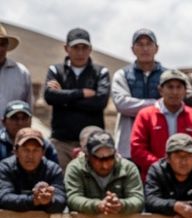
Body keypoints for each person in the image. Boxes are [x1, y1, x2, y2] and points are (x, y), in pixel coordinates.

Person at [43, 28, 111, 168]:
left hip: (93, 143)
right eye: (75, 47)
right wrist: (81, 93)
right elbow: (50, 97)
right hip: (61, 142)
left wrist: (64, 97)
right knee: (60, 185)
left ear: (90, 49)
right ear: (66, 48)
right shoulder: (55, 70)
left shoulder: (100, 72)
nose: (80, 52)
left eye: (84, 47)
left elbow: (99, 102)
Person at [130, 69, 192, 178]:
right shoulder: (145, 115)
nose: (175, 92)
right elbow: (137, 149)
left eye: (179, 87)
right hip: (155, 178)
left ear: (185, 91)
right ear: (160, 90)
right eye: (170, 87)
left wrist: (186, 166)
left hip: (190, 179)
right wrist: (162, 166)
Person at [111, 29, 165, 158]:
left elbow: (173, 104)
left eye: (148, 44)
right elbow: (122, 104)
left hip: (159, 144)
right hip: (128, 146)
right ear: (133, 49)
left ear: (156, 48)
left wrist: (135, 105)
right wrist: (157, 104)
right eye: (140, 44)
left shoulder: (167, 76)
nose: (144, 48)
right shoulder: (122, 75)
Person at [65, 131, 143, 215]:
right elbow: (73, 198)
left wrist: (121, 205)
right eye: (99, 159)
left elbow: (138, 199)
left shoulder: (128, 168)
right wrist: (97, 205)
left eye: (110, 158)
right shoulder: (76, 168)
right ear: (88, 156)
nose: (105, 166)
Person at [0, 128, 65, 212]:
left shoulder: (53, 169)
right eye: (25, 150)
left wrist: (49, 201)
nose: (30, 156)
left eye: (35, 150)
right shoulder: (5, 167)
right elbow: (3, 198)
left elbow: (61, 200)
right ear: (15, 151)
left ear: (43, 153)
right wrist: (34, 200)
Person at [0, 23, 32, 115]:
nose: (0, 49)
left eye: (2, 44)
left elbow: (28, 109)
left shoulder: (21, 73)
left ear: (7, 46)